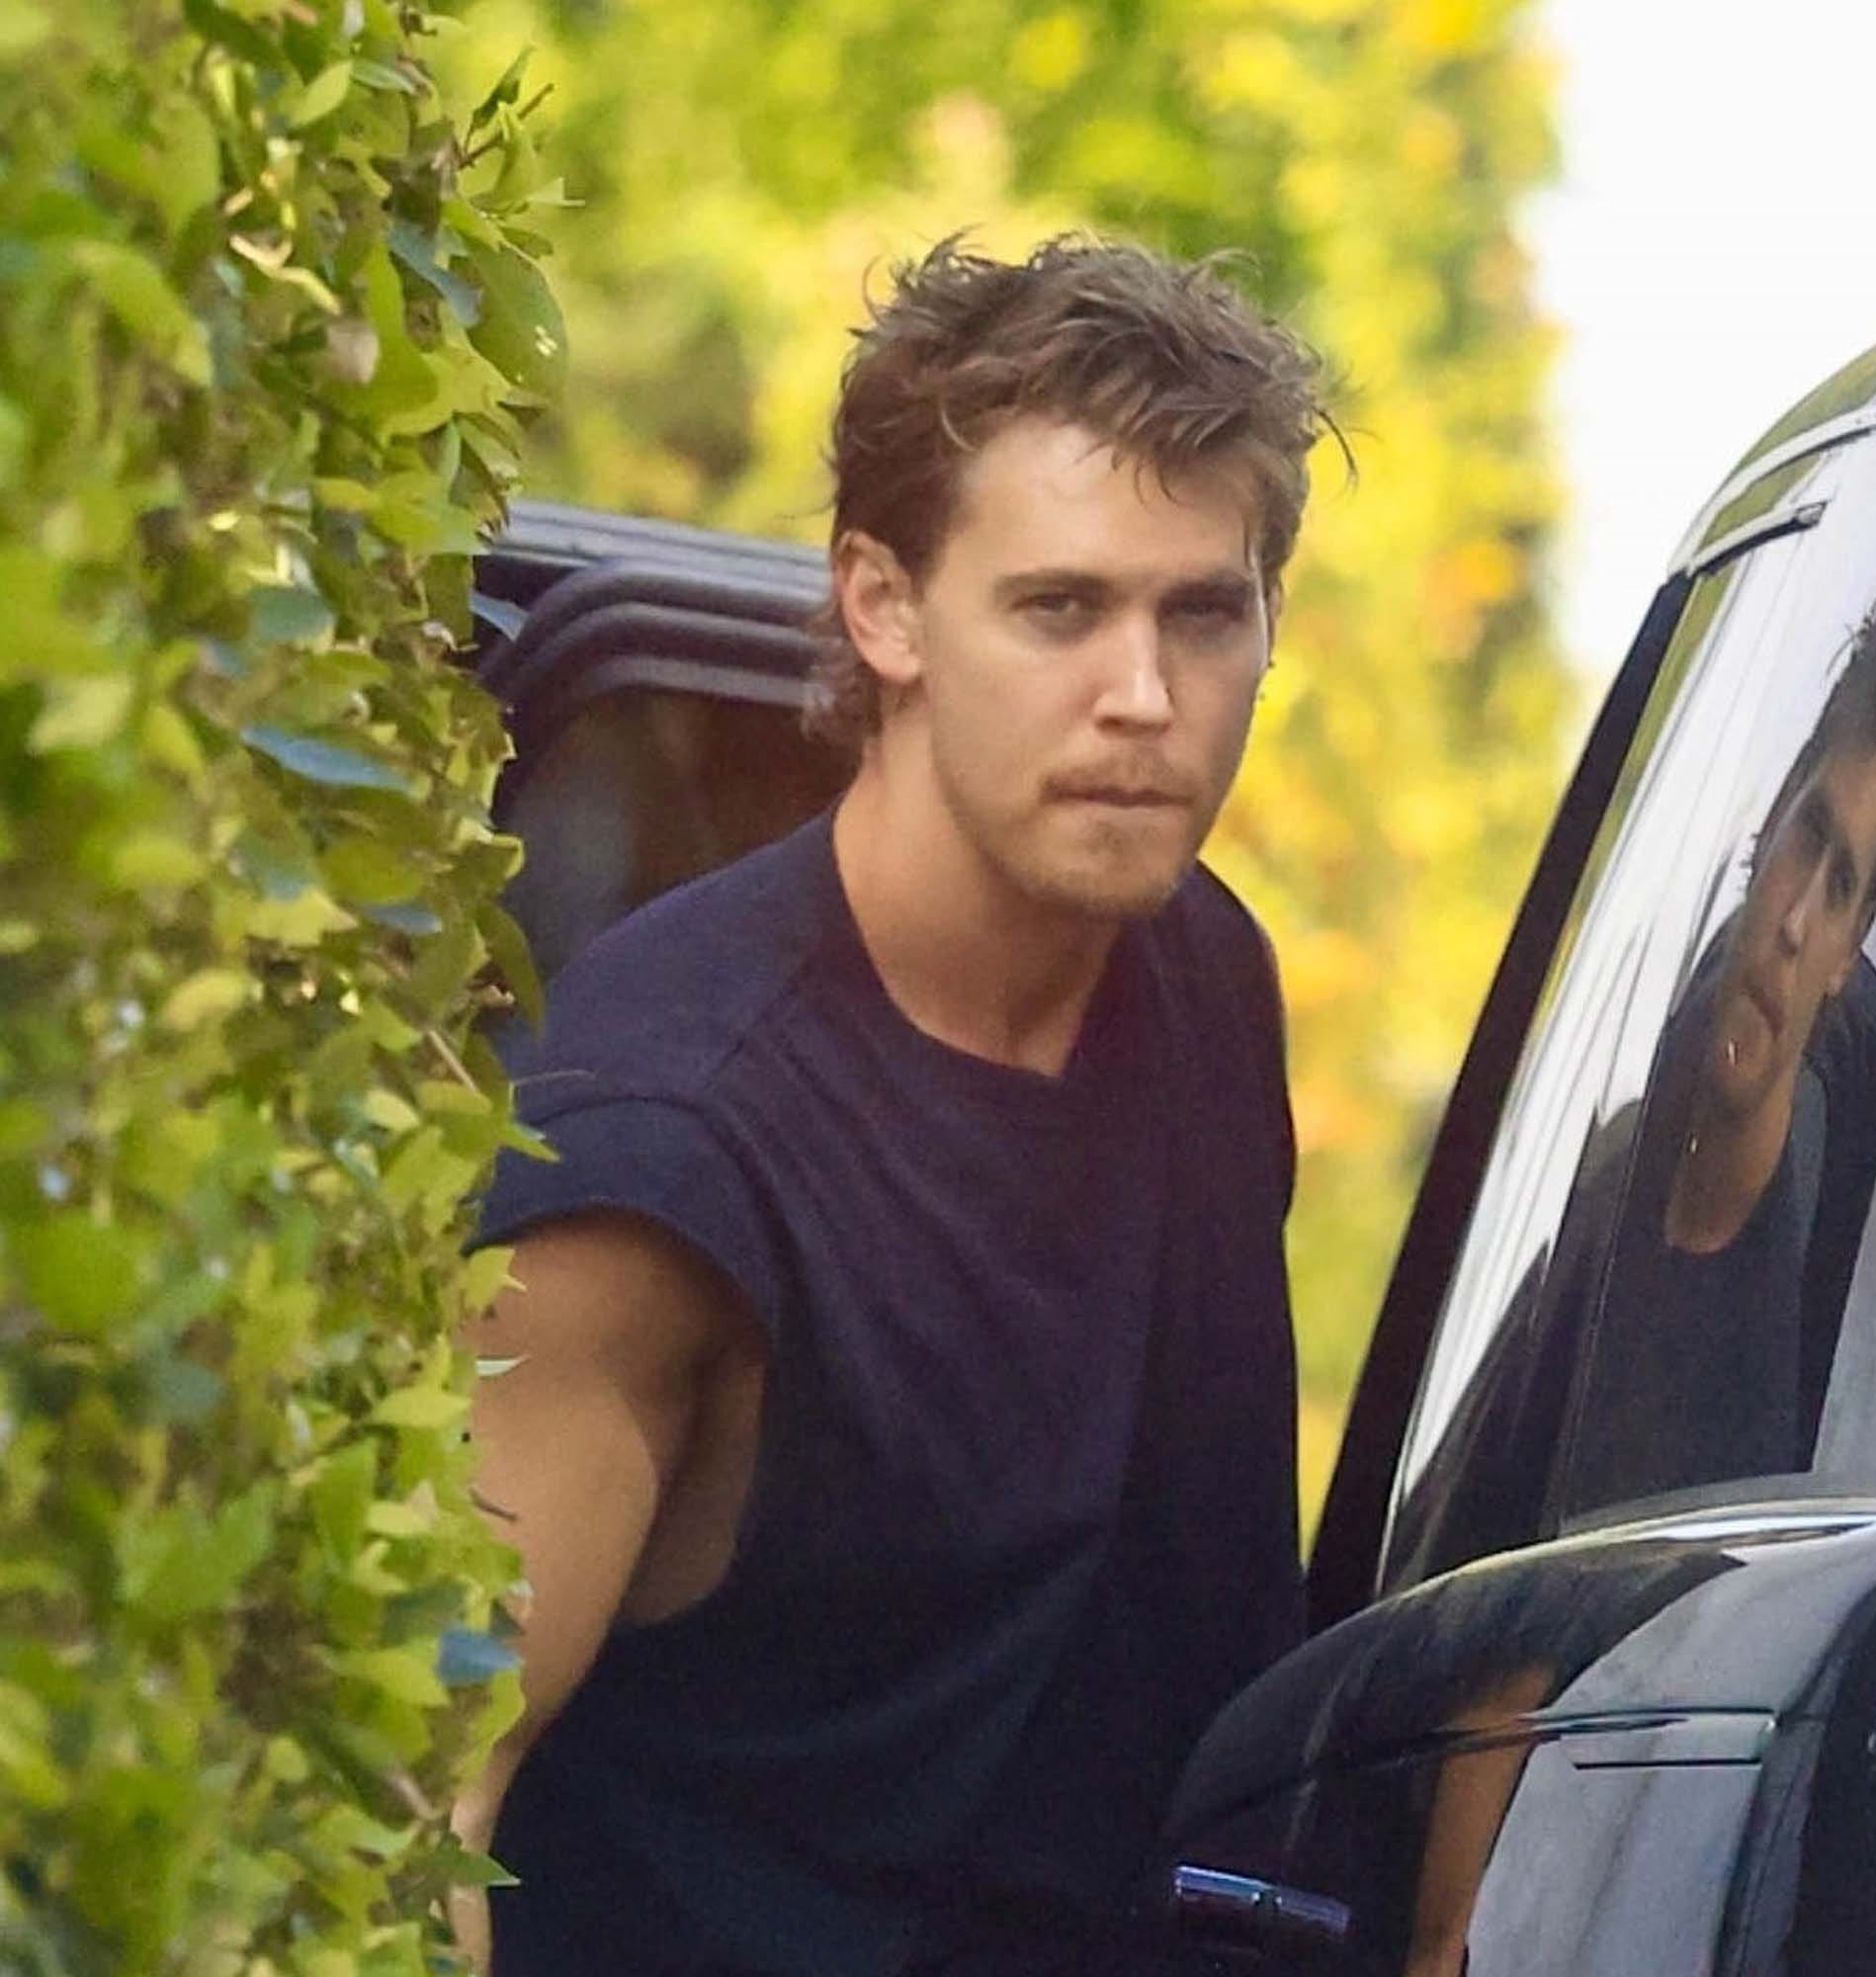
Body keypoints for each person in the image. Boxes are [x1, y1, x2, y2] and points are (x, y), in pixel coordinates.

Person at [452, 236, 1340, 1976]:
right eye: (1060, 608)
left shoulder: (1205, 978)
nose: (1145, 697)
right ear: (882, 605)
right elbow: (424, 1809)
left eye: (1204, 613)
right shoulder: (663, 1152)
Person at [1391, 577, 1876, 1581]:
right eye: (1807, 837)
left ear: (1852, 945)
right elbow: (1435, 1565)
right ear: (1765, 829)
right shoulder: (1600, 1204)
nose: (1794, 922)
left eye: (1838, 887)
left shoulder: (1812, 1346)